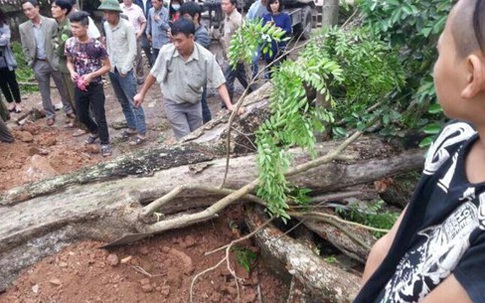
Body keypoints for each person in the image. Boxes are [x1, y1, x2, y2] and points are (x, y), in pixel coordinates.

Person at [354, 1, 485, 302]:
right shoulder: (454, 140)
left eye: (440, 52)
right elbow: (387, 247)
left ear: (470, 75)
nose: (435, 66)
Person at [134, 19, 244, 140]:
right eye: (174, 40)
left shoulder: (205, 57)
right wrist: (141, 94)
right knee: (185, 138)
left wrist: (229, 105)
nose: (176, 44)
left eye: (179, 41)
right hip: (173, 104)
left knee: (197, 136)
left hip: (194, 104)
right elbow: (153, 74)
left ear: (191, 37)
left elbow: (219, 82)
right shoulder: (166, 53)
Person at [19, 0, 74, 126]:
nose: (28, 12)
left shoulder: (51, 22)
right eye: (25, 10)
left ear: (37, 8)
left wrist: (57, 57)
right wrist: (29, 61)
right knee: (44, 91)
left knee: (63, 87)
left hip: (53, 60)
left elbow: (58, 40)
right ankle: (50, 114)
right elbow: (24, 47)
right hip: (38, 62)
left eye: (30, 8)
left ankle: (69, 109)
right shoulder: (23, 27)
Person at [65, 11, 112, 156]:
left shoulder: (97, 45)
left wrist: (92, 75)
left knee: (99, 114)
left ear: (86, 27)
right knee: (81, 114)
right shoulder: (70, 43)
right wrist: (72, 72)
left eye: (77, 27)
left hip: (95, 85)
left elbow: (107, 66)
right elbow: (69, 62)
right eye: (72, 27)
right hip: (79, 85)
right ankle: (94, 130)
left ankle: (105, 143)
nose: (74, 30)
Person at [100, 0, 147, 145]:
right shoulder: (106, 26)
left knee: (134, 100)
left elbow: (133, 50)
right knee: (122, 100)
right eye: (105, 13)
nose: (106, 16)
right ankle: (131, 126)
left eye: (109, 13)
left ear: (116, 13)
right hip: (112, 68)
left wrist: (125, 68)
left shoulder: (127, 26)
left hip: (124, 70)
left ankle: (141, 131)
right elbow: (109, 46)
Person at [179, 1, 212, 123]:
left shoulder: (202, 34)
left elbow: (194, 52)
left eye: (186, 17)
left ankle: (208, 126)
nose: (184, 20)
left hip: (199, 74)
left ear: (196, 16)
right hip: (189, 73)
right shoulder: (190, 33)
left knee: (201, 104)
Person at [51, 0, 77, 127]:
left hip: (69, 67)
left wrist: (54, 43)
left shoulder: (67, 27)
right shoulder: (59, 25)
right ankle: (78, 120)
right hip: (64, 66)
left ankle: (85, 124)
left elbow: (60, 50)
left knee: (74, 97)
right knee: (69, 96)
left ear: (64, 10)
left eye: (55, 7)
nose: (52, 9)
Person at [221, 0, 249, 104]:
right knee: (243, 78)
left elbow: (244, 37)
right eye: (222, 4)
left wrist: (239, 55)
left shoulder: (237, 19)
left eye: (226, 4)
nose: (223, 6)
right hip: (230, 55)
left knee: (227, 81)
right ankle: (253, 91)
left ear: (233, 5)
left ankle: (226, 105)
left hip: (235, 57)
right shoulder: (227, 16)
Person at [0, 9, 22, 114]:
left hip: (6, 60)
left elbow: (5, 41)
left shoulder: (3, 25)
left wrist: (3, 39)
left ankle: (18, 103)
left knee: (12, 82)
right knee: (2, 84)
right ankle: (10, 102)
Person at [261, 0, 291, 79]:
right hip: (269, 46)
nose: (273, 5)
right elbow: (262, 30)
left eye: (276, 3)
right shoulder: (266, 16)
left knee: (280, 68)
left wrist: (280, 29)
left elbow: (289, 30)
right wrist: (267, 26)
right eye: (271, 3)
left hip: (281, 45)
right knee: (270, 68)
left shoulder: (285, 16)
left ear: (280, 4)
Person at [121, 0, 147, 85]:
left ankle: (140, 75)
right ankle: (125, 73)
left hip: (135, 35)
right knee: (124, 55)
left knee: (138, 55)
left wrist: (140, 32)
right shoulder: (119, 8)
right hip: (122, 35)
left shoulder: (137, 9)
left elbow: (143, 21)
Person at [245, 0, 268, 81]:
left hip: (268, 36)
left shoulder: (272, 5)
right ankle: (255, 73)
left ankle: (266, 76)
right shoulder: (255, 5)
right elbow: (248, 17)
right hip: (255, 36)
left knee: (267, 57)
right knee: (254, 58)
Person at [134, 0, 154, 67]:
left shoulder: (151, 1)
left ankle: (155, 61)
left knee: (155, 45)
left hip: (153, 26)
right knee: (145, 45)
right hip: (142, 26)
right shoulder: (136, 1)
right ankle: (150, 59)